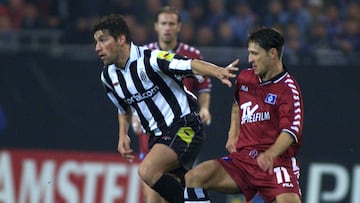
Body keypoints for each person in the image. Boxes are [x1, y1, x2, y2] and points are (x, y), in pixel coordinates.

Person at [92, 14, 238, 203]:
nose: (97, 48)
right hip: (158, 138)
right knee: (155, 198)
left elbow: (190, 64)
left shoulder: (151, 59)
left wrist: (218, 71)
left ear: (121, 39)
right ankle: (196, 197)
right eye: (96, 42)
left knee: (147, 171)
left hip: (186, 126)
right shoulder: (108, 77)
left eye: (103, 40)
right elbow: (123, 107)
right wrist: (123, 135)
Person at [184, 27, 304, 203]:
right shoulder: (245, 78)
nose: (250, 59)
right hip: (243, 161)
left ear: (272, 54)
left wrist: (270, 154)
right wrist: (233, 132)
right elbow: (237, 104)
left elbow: (291, 132)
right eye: (249, 53)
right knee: (193, 179)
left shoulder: (288, 90)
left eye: (255, 54)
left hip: (275, 163)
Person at [132, 6, 213, 203]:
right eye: (163, 23)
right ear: (156, 27)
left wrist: (204, 108)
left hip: (181, 126)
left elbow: (203, 86)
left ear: (179, 27)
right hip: (152, 128)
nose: (167, 28)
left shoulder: (191, 53)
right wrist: (134, 117)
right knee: (151, 193)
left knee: (171, 185)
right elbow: (134, 91)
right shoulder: (144, 54)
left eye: (171, 24)